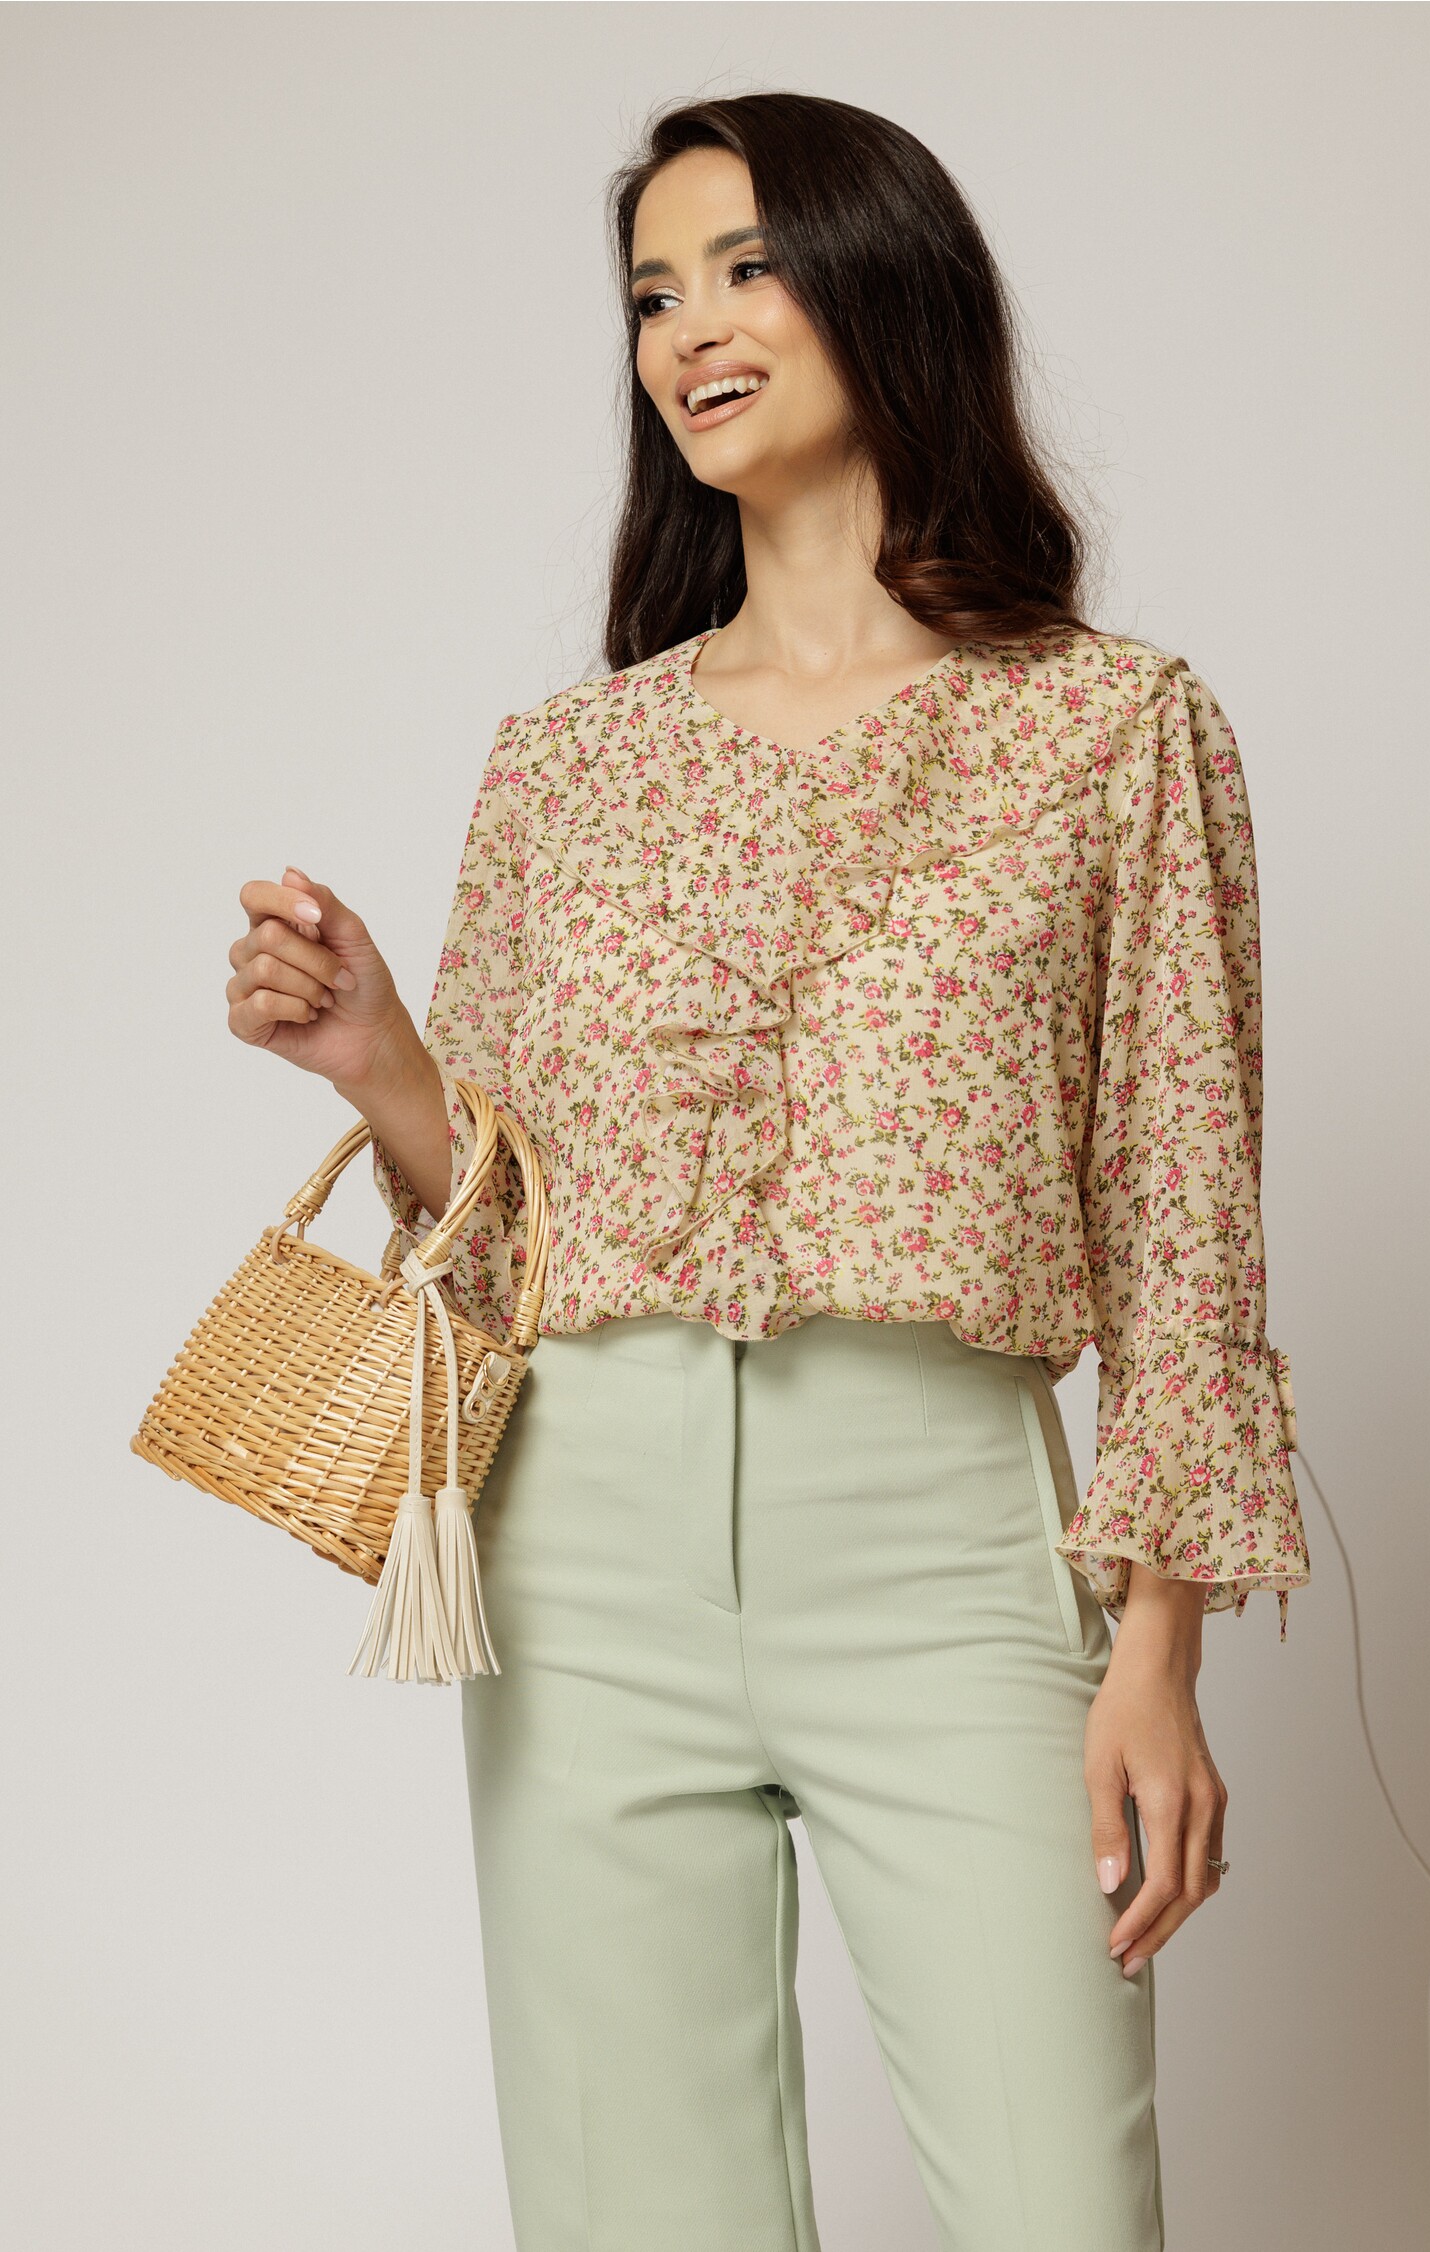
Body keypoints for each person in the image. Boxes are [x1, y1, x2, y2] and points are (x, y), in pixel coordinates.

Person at [225, 89, 1308, 2252]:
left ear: (886, 286)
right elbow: (515, 1238)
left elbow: (1184, 1220)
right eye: (652, 295)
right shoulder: (569, 764)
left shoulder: (1113, 731)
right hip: (585, 1547)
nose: (688, 330)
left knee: (1057, 2209)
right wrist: (379, 1062)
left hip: (943, 1543)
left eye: (745, 268)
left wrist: (1159, 1646)